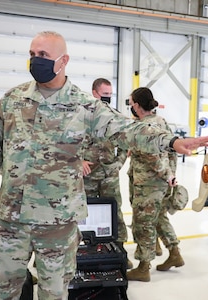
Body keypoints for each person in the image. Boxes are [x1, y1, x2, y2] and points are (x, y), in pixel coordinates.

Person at [0, 31, 208, 300]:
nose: (35, 61)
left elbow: (129, 130)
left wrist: (172, 142)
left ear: (63, 60)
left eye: (43, 55)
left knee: (54, 293)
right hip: (11, 221)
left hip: (58, 225)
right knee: (3, 291)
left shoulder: (84, 106)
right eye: (32, 55)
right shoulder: (12, 101)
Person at [126, 87, 184, 282]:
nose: (130, 106)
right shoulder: (161, 122)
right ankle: (174, 252)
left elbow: (152, 157)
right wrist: (171, 175)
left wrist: (166, 173)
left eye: (130, 102)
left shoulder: (142, 128)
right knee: (159, 218)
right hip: (161, 184)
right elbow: (172, 150)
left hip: (147, 184)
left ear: (136, 105)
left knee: (143, 224)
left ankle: (143, 267)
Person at [82, 78, 132, 269]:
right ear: (94, 93)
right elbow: (69, 142)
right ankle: (86, 252)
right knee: (84, 214)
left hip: (109, 175)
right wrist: (79, 161)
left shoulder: (116, 117)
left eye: (110, 95)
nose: (107, 99)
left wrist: (117, 165)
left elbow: (125, 146)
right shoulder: (83, 117)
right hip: (87, 176)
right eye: (104, 95)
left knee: (115, 213)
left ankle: (120, 252)